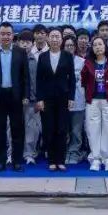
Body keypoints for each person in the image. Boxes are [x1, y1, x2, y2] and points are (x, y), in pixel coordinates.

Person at [0, 22, 31, 172]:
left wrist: (26, 95)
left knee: (17, 130)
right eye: (2, 34)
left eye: (8, 34)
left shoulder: (20, 52)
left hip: (15, 95)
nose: (5, 36)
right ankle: (1, 161)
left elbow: (26, 77)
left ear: (13, 36)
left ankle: (17, 162)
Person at [34, 29, 76, 172]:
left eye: (57, 36)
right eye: (52, 36)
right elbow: (39, 80)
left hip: (63, 98)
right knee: (49, 129)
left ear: (61, 39)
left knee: (62, 129)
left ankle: (61, 160)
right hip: (47, 99)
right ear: (48, 39)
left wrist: (71, 97)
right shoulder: (43, 56)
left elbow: (72, 79)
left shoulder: (67, 56)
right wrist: (39, 99)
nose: (55, 39)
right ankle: (52, 160)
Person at [81, 36, 108, 172]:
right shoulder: (88, 63)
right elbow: (83, 81)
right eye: (95, 45)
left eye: (100, 44)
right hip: (93, 100)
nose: (98, 47)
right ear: (92, 48)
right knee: (93, 129)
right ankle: (95, 159)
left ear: (105, 46)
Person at [17, 30, 41, 164]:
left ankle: (29, 154)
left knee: (32, 129)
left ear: (32, 44)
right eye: (22, 42)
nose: (25, 45)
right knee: (12, 128)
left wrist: (38, 99)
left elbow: (39, 82)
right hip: (15, 100)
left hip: (32, 100)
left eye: (28, 42)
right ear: (18, 43)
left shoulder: (36, 60)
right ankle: (12, 153)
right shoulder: (13, 59)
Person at [64, 36, 88, 166]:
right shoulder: (59, 61)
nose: (69, 48)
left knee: (76, 130)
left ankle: (74, 152)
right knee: (63, 129)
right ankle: (63, 152)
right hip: (62, 101)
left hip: (78, 100)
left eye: (71, 45)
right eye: (67, 45)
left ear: (75, 47)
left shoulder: (82, 62)